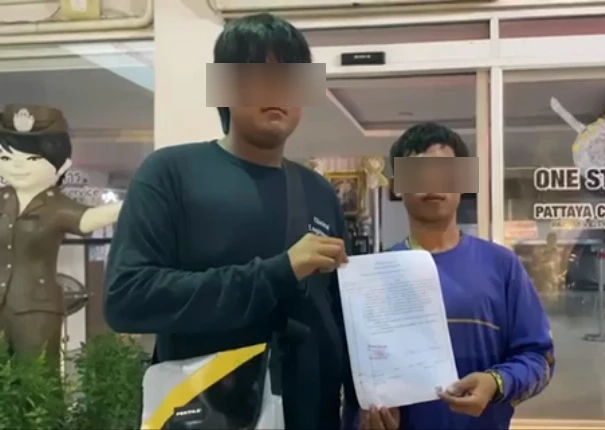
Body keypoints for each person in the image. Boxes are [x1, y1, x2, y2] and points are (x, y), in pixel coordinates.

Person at [104, 13, 350, 429]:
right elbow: (127, 297)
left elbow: (337, 312)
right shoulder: (170, 174)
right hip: (215, 414)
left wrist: (370, 394)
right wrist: (278, 272)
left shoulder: (318, 191)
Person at [343, 123, 555, 430]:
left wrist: (496, 382)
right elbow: (356, 385)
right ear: (397, 185)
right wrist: (367, 422)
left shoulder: (502, 265)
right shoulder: (371, 278)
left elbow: (539, 358)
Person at [0, 104, 121, 365]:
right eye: (6, 158)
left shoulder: (56, 205)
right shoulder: (3, 199)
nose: (17, 166)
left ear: (63, 163)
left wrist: (132, 204)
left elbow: (87, 219)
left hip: (37, 309)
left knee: (38, 375)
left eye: (32, 159)